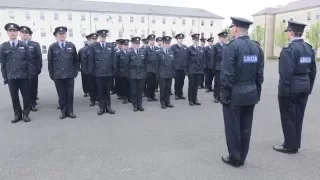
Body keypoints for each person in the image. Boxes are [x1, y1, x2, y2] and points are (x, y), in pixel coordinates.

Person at [220, 17, 264, 167]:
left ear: (236, 29)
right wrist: (257, 92)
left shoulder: (231, 47)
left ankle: (235, 157)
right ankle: (242, 155)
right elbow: (260, 74)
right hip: (251, 93)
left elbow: (227, 75)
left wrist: (224, 95)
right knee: (246, 127)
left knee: (233, 127)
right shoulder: (256, 47)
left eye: (233, 28)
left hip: (235, 94)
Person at [273, 20, 317, 154]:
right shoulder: (308, 48)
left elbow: (285, 73)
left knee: (288, 117)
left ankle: (289, 145)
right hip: (304, 87)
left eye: (288, 32)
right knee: (299, 116)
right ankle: (295, 142)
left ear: (291, 32)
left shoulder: (289, 50)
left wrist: (283, 91)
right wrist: (309, 87)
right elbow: (313, 71)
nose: (288, 34)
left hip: (291, 88)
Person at [1, 23, 32, 123]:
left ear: (17, 32)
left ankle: (26, 114)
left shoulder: (24, 45)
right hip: (11, 77)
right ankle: (17, 114)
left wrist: (30, 75)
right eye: (10, 31)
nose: (12, 32)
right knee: (14, 97)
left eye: (14, 31)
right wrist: (5, 77)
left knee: (26, 97)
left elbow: (29, 62)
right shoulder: (3, 47)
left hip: (23, 76)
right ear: (7, 33)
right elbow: (3, 64)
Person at [48, 26, 79, 119]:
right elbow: (50, 62)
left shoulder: (71, 46)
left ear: (66, 35)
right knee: (61, 94)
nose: (62, 35)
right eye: (60, 34)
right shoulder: (52, 47)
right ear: (56, 35)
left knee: (70, 94)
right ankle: (63, 111)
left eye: (63, 34)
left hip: (69, 75)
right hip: (58, 75)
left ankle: (70, 111)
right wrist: (52, 74)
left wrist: (75, 72)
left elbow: (76, 60)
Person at [88, 29, 116, 115]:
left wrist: (113, 70)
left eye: (104, 36)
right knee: (100, 91)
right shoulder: (93, 46)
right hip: (98, 73)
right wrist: (92, 72)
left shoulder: (110, 46)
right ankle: (101, 107)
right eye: (101, 36)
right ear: (98, 37)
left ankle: (108, 106)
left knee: (107, 91)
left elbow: (114, 59)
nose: (103, 38)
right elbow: (91, 60)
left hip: (108, 72)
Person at [19, 26, 42, 111]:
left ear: (29, 34)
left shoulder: (34, 44)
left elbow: (38, 58)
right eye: (23, 32)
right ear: (20, 34)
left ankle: (33, 103)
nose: (24, 34)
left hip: (32, 71)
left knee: (33, 88)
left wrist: (37, 69)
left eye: (26, 33)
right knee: (24, 89)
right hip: (21, 71)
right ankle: (27, 104)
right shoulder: (17, 44)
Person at [127, 37, 146, 112]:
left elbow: (145, 63)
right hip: (133, 75)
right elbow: (127, 65)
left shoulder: (143, 52)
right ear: (132, 44)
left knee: (140, 90)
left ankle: (140, 105)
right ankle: (135, 105)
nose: (137, 45)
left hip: (141, 75)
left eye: (138, 44)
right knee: (134, 91)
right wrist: (128, 75)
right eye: (136, 44)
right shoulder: (129, 53)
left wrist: (145, 73)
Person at [186, 33, 205, 106]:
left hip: (199, 70)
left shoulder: (201, 49)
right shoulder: (189, 49)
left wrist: (202, 70)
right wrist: (187, 70)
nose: (196, 41)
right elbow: (186, 60)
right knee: (191, 85)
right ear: (192, 40)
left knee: (196, 86)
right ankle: (190, 100)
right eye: (195, 40)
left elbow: (202, 60)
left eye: (197, 40)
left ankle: (195, 99)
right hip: (192, 70)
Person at [157, 36, 175, 109]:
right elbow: (157, 64)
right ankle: (162, 102)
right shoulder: (159, 52)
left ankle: (168, 102)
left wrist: (173, 73)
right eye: (166, 43)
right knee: (163, 89)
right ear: (163, 43)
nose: (167, 45)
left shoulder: (171, 52)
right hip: (162, 74)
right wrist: (158, 74)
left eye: (169, 43)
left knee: (168, 88)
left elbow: (173, 63)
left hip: (169, 74)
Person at [212, 31, 229, 103]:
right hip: (218, 68)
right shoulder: (215, 46)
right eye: (223, 37)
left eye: (226, 37)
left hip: (226, 68)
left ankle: (223, 96)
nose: (225, 39)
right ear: (220, 38)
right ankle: (216, 96)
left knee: (224, 83)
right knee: (217, 83)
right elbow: (213, 59)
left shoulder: (227, 46)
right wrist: (213, 69)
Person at [171, 33, 187, 100]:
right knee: (177, 82)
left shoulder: (185, 47)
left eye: (182, 39)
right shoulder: (173, 47)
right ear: (177, 39)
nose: (181, 40)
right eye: (179, 39)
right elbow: (171, 57)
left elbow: (186, 57)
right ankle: (177, 94)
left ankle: (181, 94)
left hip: (183, 68)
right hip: (176, 67)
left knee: (182, 82)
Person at [115, 39, 131, 104]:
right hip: (122, 72)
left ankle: (129, 97)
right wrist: (118, 73)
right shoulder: (118, 54)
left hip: (129, 72)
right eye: (125, 45)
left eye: (127, 45)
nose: (126, 46)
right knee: (123, 86)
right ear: (122, 45)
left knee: (129, 85)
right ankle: (124, 97)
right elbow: (116, 64)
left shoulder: (130, 53)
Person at [85, 33, 98, 106]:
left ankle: (98, 98)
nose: (95, 41)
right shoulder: (86, 49)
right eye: (93, 39)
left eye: (96, 39)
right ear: (89, 40)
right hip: (89, 71)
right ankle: (92, 99)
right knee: (91, 86)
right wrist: (85, 71)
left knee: (99, 86)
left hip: (98, 70)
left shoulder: (99, 48)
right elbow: (84, 61)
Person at [145, 34, 159, 101]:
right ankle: (149, 96)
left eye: (153, 40)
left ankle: (153, 95)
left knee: (154, 83)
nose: (153, 41)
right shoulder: (145, 49)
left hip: (155, 69)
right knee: (149, 83)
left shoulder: (157, 49)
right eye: (151, 40)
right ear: (148, 41)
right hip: (148, 69)